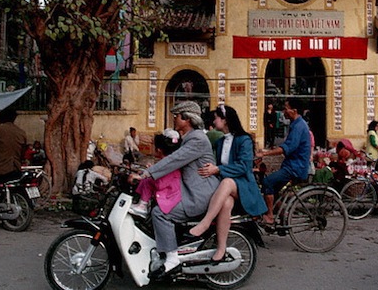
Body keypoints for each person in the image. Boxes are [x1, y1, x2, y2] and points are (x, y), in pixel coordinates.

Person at [132, 101, 219, 278]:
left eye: (176, 116)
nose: (173, 118)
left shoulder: (196, 139)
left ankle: (172, 258)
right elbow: (170, 158)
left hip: (199, 193)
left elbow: (174, 160)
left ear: (186, 119)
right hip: (189, 189)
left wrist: (147, 173)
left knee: (160, 213)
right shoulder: (188, 138)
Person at [188, 105, 266, 262]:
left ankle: (206, 222)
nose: (214, 120)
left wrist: (218, 169)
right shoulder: (221, 141)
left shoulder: (244, 140)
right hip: (228, 189)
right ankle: (221, 248)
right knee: (226, 203)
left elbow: (244, 167)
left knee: (228, 182)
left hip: (244, 186)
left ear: (225, 120)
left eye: (216, 117)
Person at [256, 97, 311, 225]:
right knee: (272, 191)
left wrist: (266, 153)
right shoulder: (295, 124)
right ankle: (283, 215)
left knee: (268, 182)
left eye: (286, 109)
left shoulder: (299, 126)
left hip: (295, 167)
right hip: (291, 165)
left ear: (294, 110)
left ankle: (269, 216)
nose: (284, 111)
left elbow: (287, 148)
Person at [129, 129, 182, 218]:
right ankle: (141, 202)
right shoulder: (168, 161)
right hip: (168, 189)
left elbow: (160, 184)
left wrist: (149, 175)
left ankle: (143, 205)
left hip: (169, 194)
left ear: (159, 150)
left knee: (147, 181)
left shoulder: (168, 164)